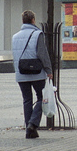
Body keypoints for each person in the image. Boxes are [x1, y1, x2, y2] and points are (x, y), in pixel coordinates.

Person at [12, 10, 53, 139]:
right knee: (42, 98)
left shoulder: (15, 37)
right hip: (37, 73)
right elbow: (43, 54)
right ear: (33, 20)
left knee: (27, 100)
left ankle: (29, 130)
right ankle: (32, 123)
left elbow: (15, 56)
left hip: (21, 73)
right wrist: (48, 70)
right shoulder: (37, 34)